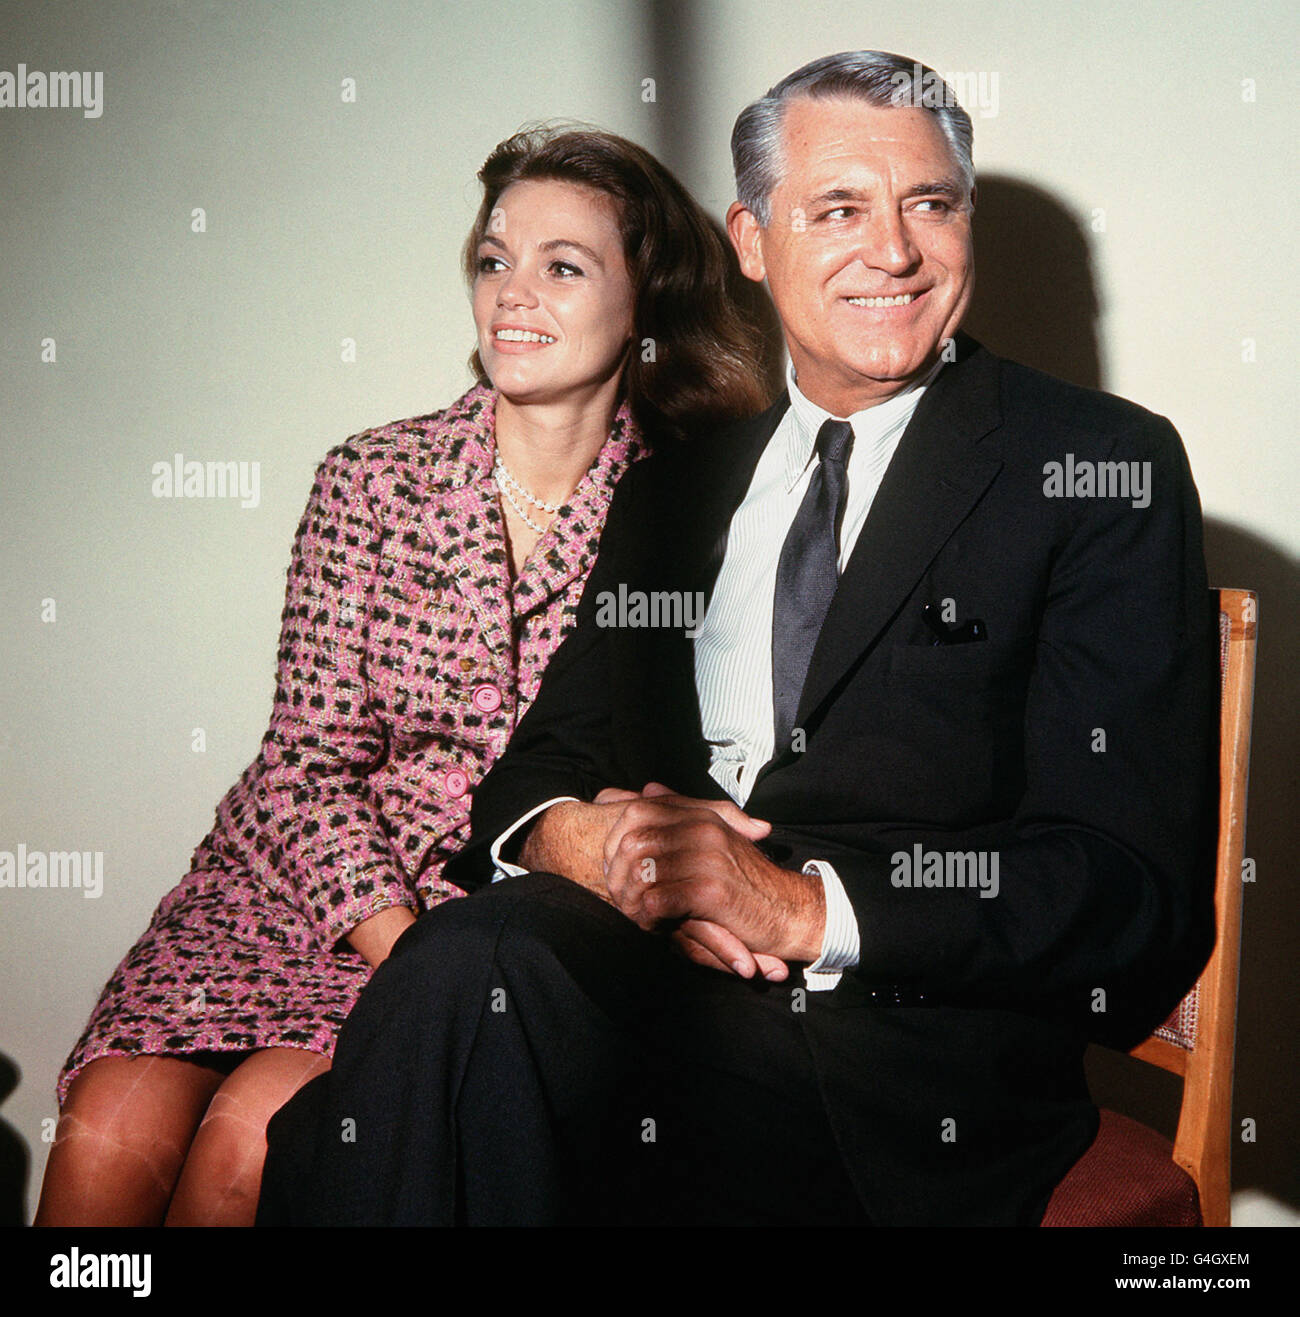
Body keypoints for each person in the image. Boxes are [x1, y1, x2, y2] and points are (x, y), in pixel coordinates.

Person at [258, 52, 1217, 1226]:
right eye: (838, 210)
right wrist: (599, 845)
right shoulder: (678, 490)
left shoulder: (1094, 467)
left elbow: (1126, 889)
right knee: (471, 973)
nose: (895, 251)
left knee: (415, 1094)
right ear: (752, 240)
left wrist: (797, 908)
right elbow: (534, 774)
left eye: (929, 204)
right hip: (647, 1009)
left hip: (900, 1070)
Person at [34, 125, 770, 1227]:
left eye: (561, 266)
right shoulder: (372, 479)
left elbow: (656, 779)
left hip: (482, 930)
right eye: (493, 260)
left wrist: (436, 956)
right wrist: (387, 931)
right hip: (284, 894)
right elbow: (299, 765)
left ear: (647, 302)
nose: (512, 295)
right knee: (105, 1140)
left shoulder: (692, 512)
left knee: (248, 1149)